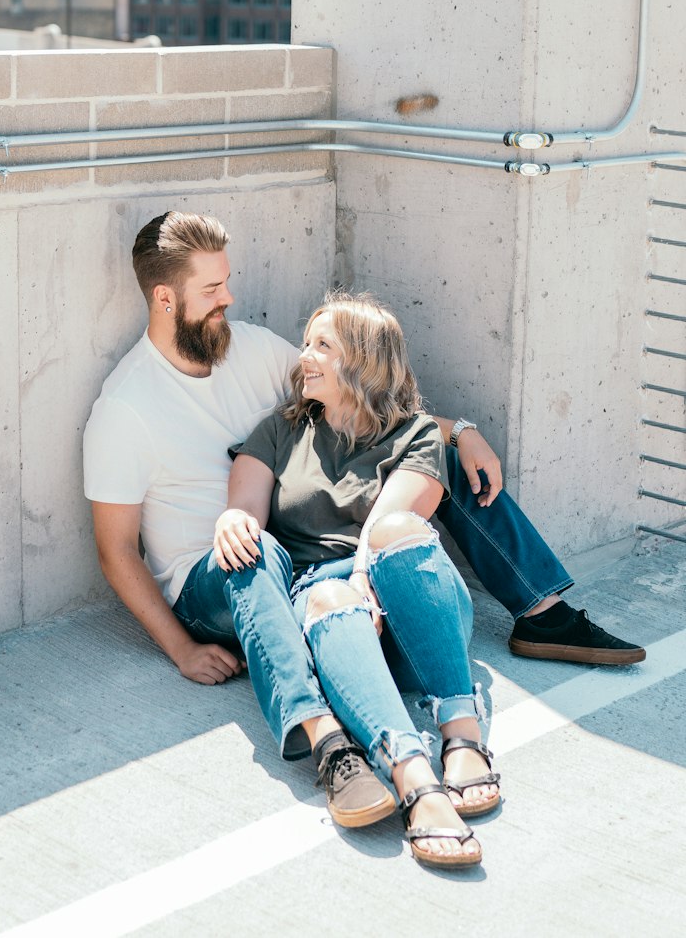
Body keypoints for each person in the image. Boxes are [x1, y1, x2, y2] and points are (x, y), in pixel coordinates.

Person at [83, 214, 644, 820]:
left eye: (227, 283)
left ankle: (541, 613)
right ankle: (327, 738)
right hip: (215, 575)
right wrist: (181, 649)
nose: (230, 300)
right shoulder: (127, 406)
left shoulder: (248, 348)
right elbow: (116, 552)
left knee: (435, 455)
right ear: (165, 298)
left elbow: (363, 399)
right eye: (212, 291)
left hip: (288, 551)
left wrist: (461, 432)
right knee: (260, 550)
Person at [216, 291, 497, 868]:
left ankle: (462, 733)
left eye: (323, 345)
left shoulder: (416, 433)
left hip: (411, 610)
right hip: (332, 618)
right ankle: (416, 778)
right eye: (306, 343)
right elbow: (246, 507)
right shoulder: (282, 429)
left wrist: (365, 585)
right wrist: (231, 520)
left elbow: (385, 528)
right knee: (327, 593)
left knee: (396, 531)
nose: (305, 357)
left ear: (365, 362)